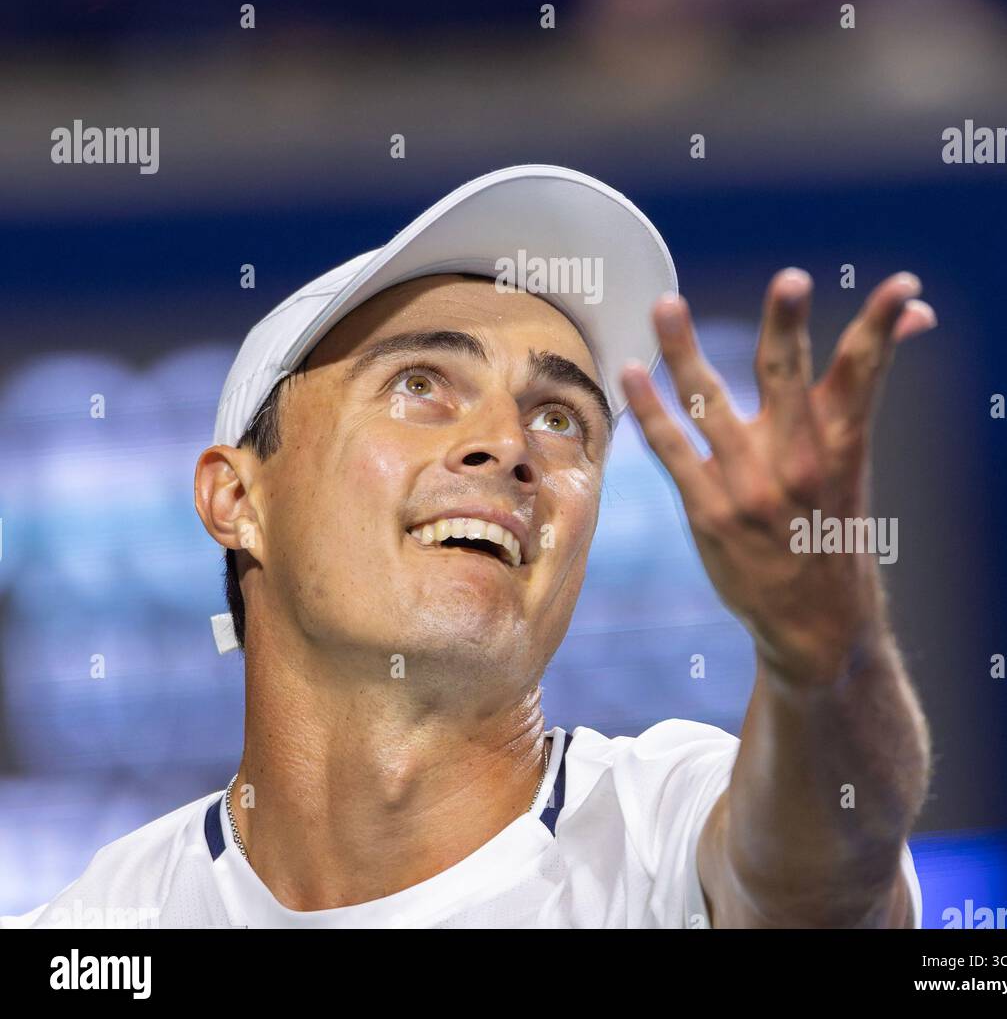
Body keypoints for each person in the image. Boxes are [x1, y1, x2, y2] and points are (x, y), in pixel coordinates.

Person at [3, 164, 933, 929]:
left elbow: (824, 887)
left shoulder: (664, 830)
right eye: (420, 383)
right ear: (236, 498)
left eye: (561, 417)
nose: (510, 444)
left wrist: (824, 654)